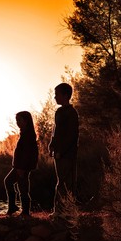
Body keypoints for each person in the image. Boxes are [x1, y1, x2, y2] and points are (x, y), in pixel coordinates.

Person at [48, 83, 79, 215]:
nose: (55, 97)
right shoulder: (59, 112)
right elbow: (56, 131)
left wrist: (62, 151)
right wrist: (51, 144)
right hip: (58, 153)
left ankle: (63, 210)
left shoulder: (71, 113)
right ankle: (60, 210)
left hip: (67, 154)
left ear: (65, 96)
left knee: (65, 183)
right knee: (61, 181)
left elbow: (72, 135)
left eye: (57, 94)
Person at [4, 111, 38, 216]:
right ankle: (13, 207)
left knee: (22, 187)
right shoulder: (24, 132)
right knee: (10, 182)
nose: (17, 122)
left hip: (22, 167)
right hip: (19, 166)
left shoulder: (28, 134)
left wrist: (21, 168)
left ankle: (25, 211)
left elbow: (27, 153)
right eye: (16, 120)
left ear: (26, 121)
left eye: (19, 120)